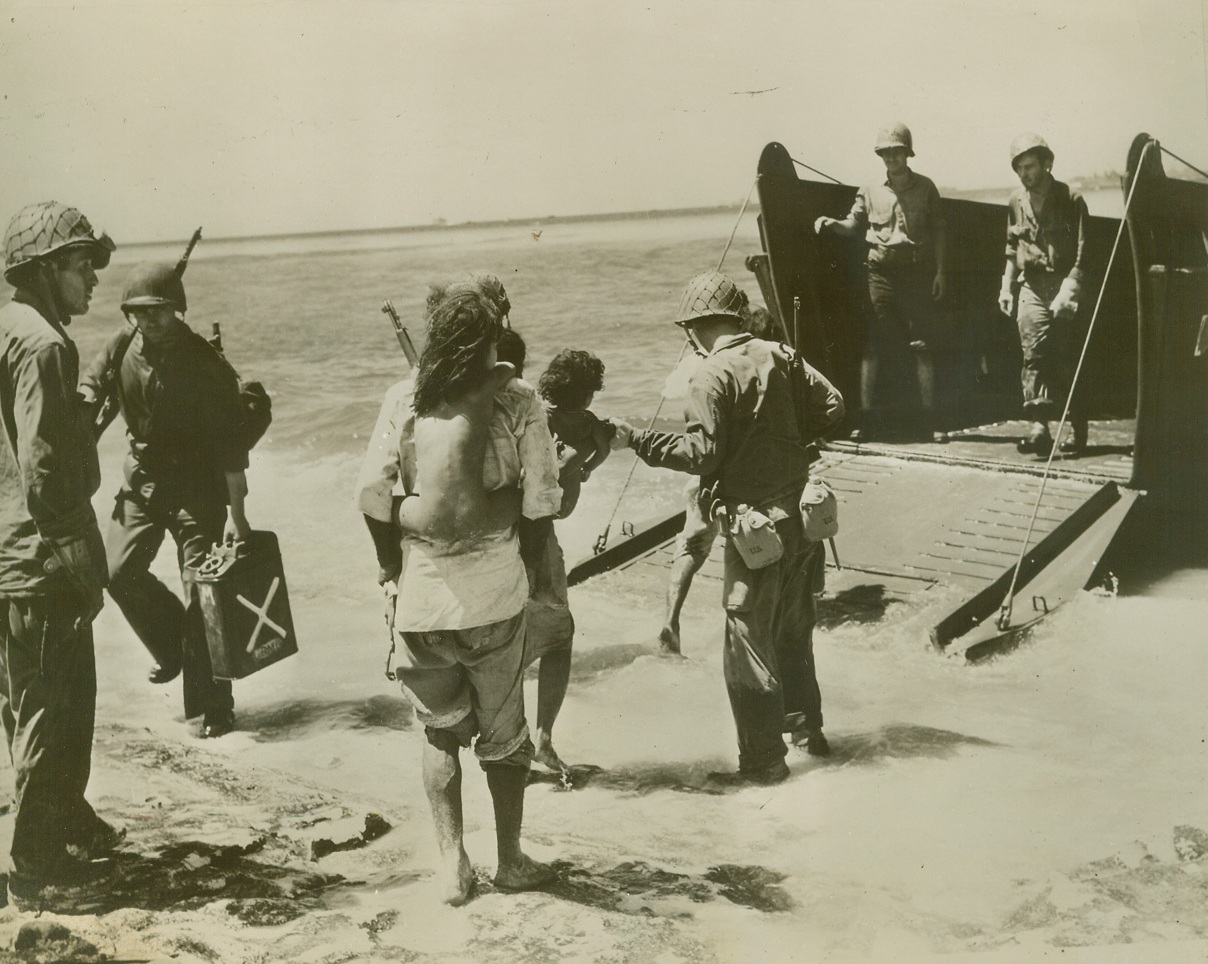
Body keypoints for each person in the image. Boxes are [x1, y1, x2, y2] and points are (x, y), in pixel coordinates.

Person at [355, 279, 561, 905]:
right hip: (494, 597)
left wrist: (393, 568)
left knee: (438, 733)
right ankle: (511, 862)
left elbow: (372, 495)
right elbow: (540, 503)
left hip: (420, 602)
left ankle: (452, 867)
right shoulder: (521, 400)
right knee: (505, 741)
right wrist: (528, 568)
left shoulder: (402, 398)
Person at [610, 271, 845, 784]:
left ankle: (764, 766)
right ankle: (809, 735)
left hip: (754, 527)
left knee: (747, 645)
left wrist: (637, 441)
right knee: (793, 632)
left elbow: (701, 453)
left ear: (693, 329)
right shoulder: (781, 354)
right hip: (802, 518)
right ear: (737, 317)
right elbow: (834, 406)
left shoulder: (708, 375)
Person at [0, 201, 123, 906]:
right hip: (38, 561)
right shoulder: (44, 344)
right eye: (83, 268)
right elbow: (45, 473)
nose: (93, 284)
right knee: (56, 711)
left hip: (7, 558)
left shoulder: (9, 329)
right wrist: (82, 560)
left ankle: (59, 833)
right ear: (48, 271)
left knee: (25, 708)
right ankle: (39, 873)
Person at [79, 255, 251, 739]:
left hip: (198, 491)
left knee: (203, 595)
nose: (146, 320)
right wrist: (85, 401)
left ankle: (213, 707)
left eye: (156, 310)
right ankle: (172, 648)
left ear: (177, 309)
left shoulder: (204, 361)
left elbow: (231, 445)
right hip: (143, 483)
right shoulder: (123, 343)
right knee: (114, 572)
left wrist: (237, 513)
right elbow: (93, 381)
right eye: (137, 310)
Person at [814, 123, 948, 444]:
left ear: (907, 154)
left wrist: (941, 273)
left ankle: (931, 421)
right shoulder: (870, 189)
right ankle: (865, 421)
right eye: (886, 153)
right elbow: (853, 225)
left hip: (916, 276)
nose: (891, 158)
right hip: (881, 276)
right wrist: (832, 224)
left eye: (897, 152)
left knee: (922, 348)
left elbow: (940, 231)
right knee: (873, 346)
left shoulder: (926, 188)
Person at [658, 304, 779, 655]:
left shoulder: (701, 363)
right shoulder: (756, 359)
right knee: (754, 544)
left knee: (692, 545)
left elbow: (669, 391)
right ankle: (752, 631)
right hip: (742, 473)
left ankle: (671, 619)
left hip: (702, 471)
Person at [527, 348, 612, 771]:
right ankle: (541, 738)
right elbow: (602, 448)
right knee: (559, 637)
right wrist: (583, 465)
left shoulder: (528, 412)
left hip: (504, 531)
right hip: (540, 537)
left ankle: (511, 740)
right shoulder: (586, 424)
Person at [998, 133, 1090, 457]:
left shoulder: (1070, 198)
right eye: (1019, 168)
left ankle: (1078, 429)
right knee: (1033, 356)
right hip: (1032, 286)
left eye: (1030, 166)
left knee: (1066, 360)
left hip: (1064, 285)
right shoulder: (1014, 201)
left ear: (1046, 163)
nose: (1025, 173)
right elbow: (1012, 248)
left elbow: (1084, 250)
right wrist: (1006, 287)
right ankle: (1040, 427)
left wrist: (1072, 286)